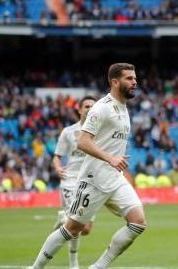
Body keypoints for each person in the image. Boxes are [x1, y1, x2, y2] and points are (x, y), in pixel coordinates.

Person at [30, 63, 146, 269]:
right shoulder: (101, 108)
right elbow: (82, 141)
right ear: (115, 82)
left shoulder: (123, 107)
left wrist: (114, 159)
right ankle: (36, 267)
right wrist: (110, 157)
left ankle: (98, 266)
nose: (134, 81)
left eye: (135, 78)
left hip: (114, 178)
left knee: (138, 222)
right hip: (93, 180)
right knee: (72, 229)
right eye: (129, 78)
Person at [51, 95, 96, 269]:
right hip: (70, 182)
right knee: (76, 226)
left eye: (93, 106)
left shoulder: (100, 132)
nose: (90, 109)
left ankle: (63, 218)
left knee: (86, 230)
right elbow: (57, 156)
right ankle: (73, 263)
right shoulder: (68, 132)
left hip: (91, 182)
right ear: (79, 109)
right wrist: (57, 167)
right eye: (86, 106)